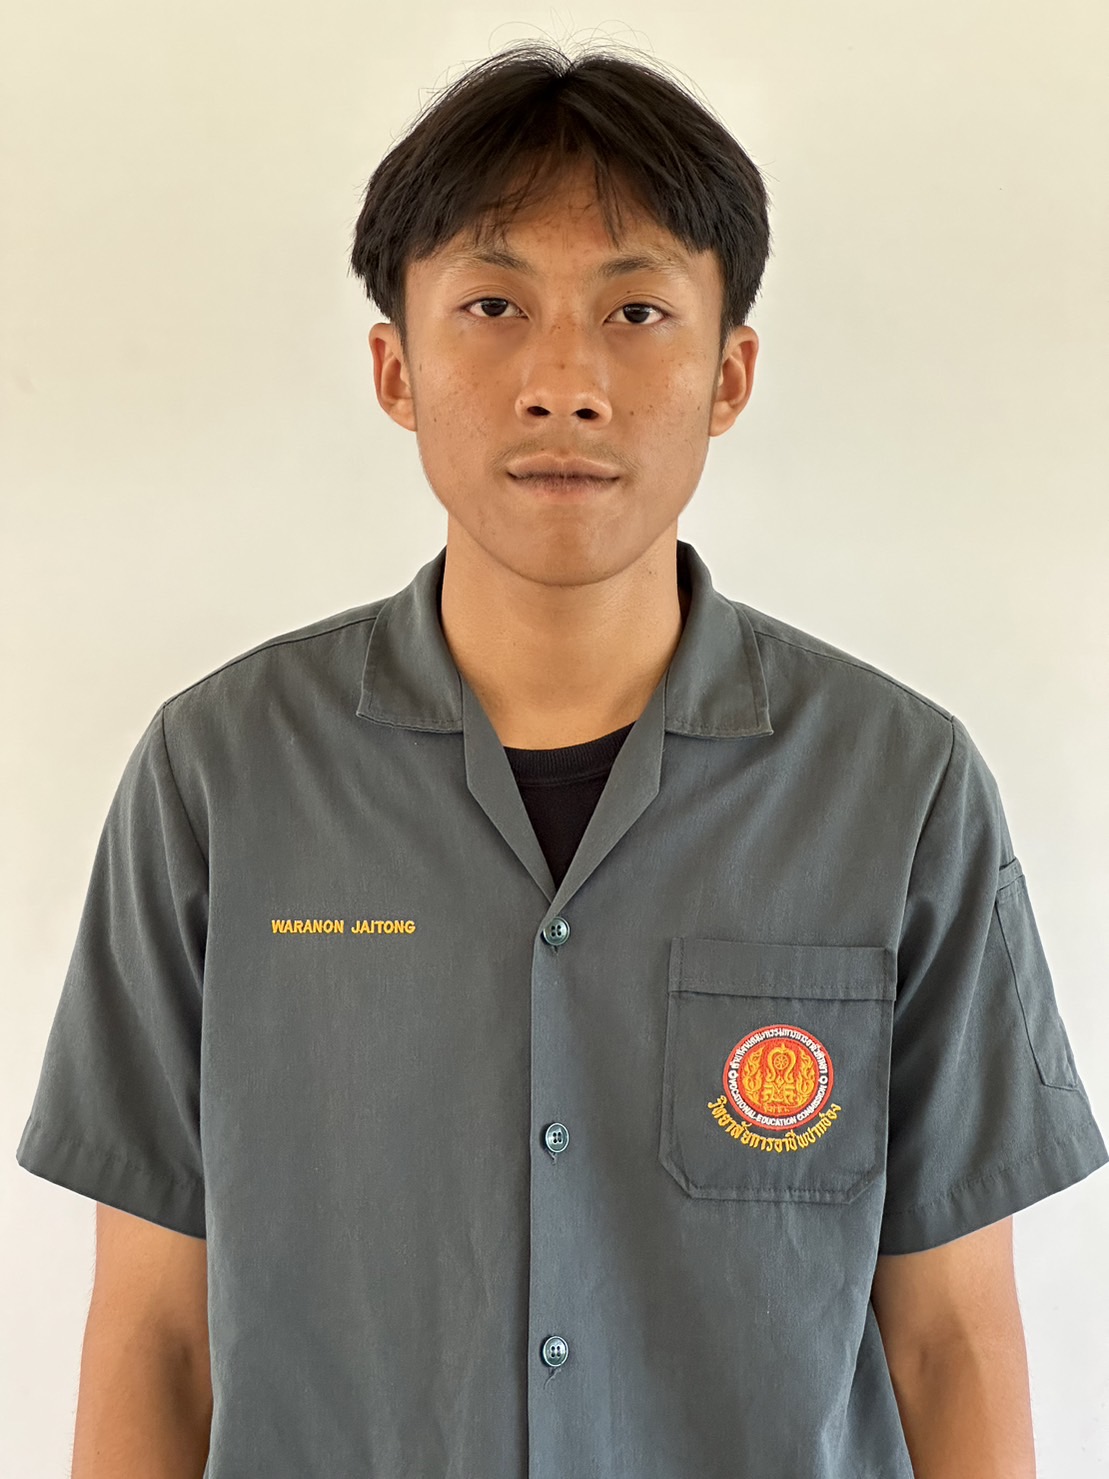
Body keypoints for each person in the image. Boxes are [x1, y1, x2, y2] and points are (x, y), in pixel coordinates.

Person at [15, 41, 1107, 1479]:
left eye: (636, 311)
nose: (563, 383)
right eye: (493, 306)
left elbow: (951, 1341)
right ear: (396, 369)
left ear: (730, 375)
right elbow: (157, 1335)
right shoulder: (217, 779)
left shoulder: (900, 790)